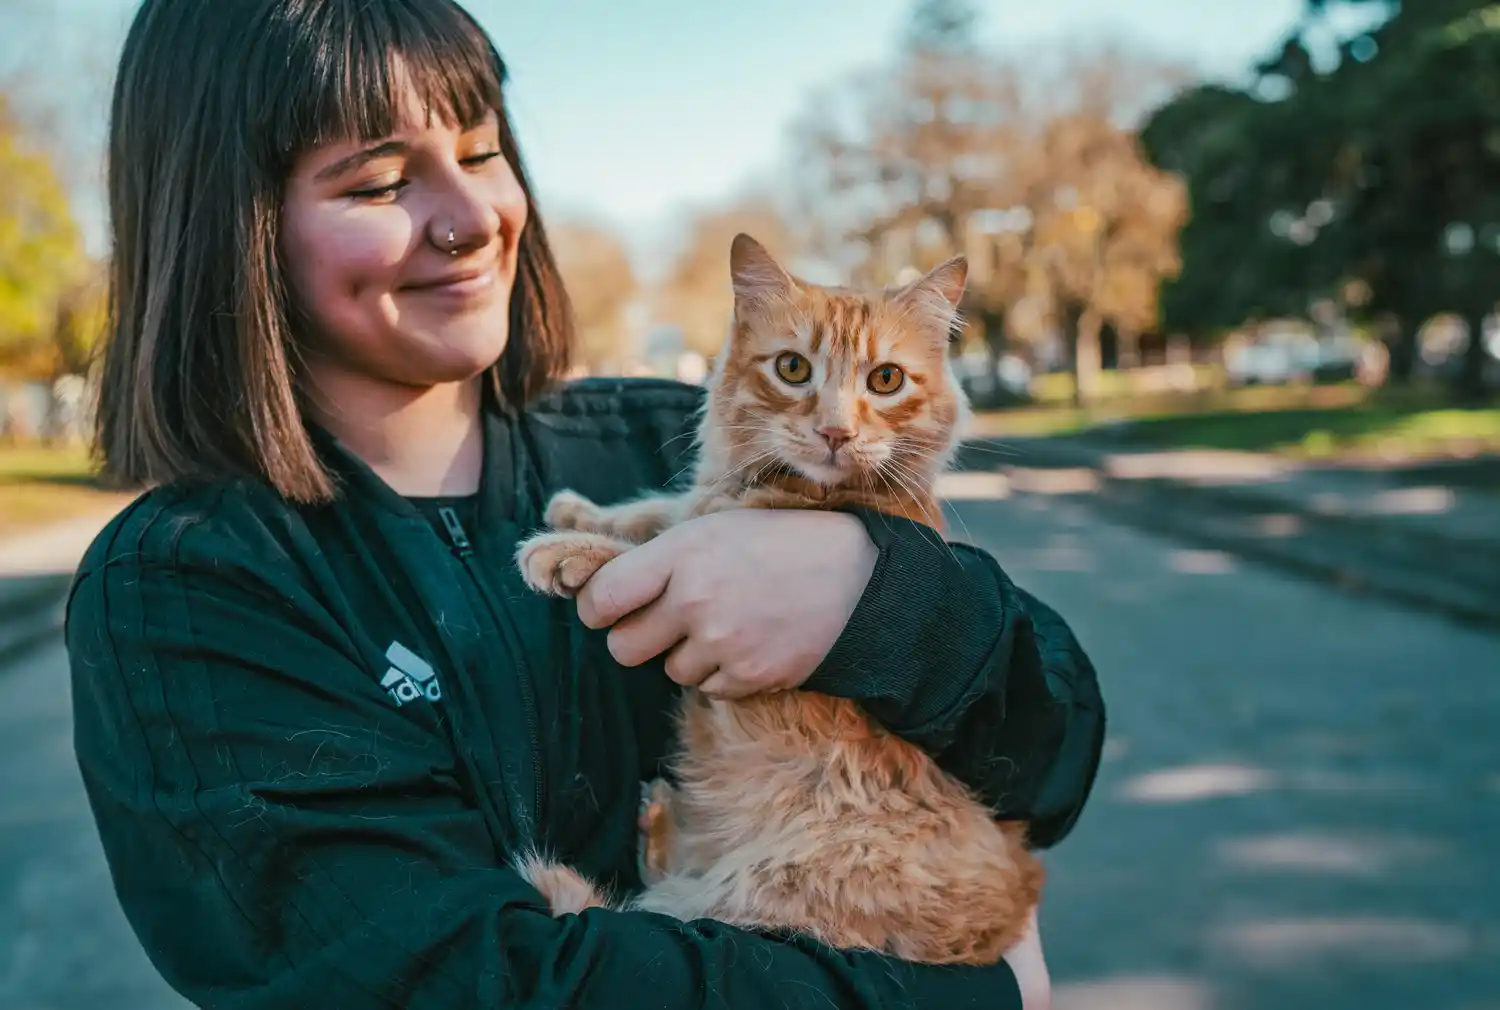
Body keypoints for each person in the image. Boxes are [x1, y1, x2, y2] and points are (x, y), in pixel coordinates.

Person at [64, 2, 1105, 1008]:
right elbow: (465, 980)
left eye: (480, 154)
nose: (472, 220)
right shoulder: (188, 588)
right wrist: (976, 998)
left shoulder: (668, 437)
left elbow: (1053, 755)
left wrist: (871, 596)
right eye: (380, 183)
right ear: (229, 225)